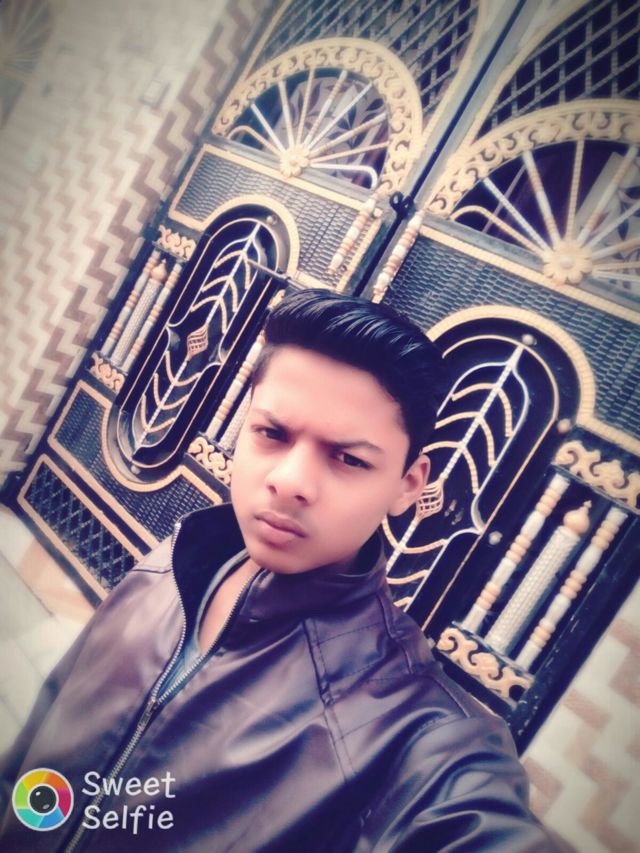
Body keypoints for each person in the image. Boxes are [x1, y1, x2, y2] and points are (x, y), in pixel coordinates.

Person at [0, 289, 561, 851]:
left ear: (408, 485)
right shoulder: (176, 560)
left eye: (349, 458)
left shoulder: (416, 730)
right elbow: (40, 754)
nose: (290, 481)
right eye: (272, 434)